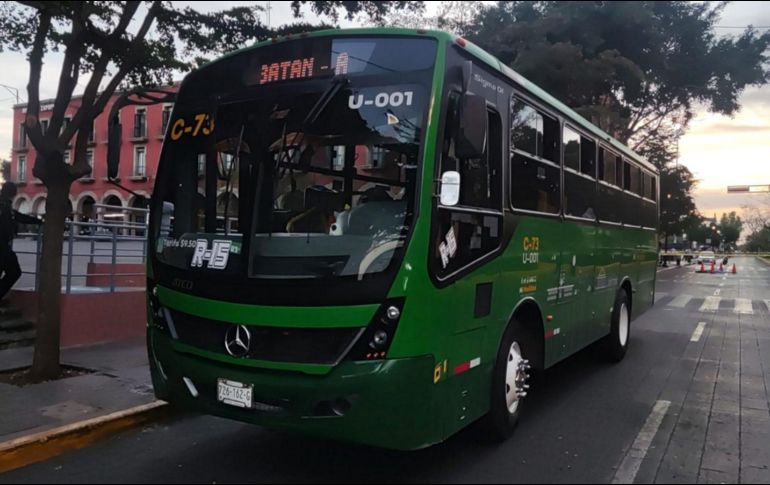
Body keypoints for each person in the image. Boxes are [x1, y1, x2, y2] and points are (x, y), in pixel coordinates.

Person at [0, 182, 43, 300]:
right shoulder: (4, 205)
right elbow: (17, 217)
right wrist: (39, 221)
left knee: (13, 271)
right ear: (13, 193)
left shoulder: (6, 205)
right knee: (14, 271)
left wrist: (38, 221)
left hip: (4, 245)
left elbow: (18, 217)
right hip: (2, 246)